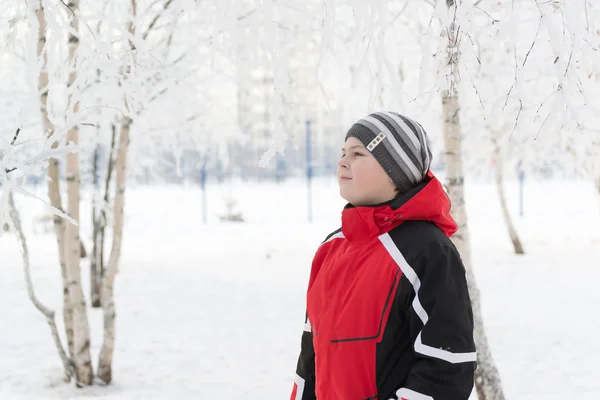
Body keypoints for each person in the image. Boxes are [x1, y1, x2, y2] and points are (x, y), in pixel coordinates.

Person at [289, 111, 477, 400]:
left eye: (358, 154)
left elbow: (447, 367)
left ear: (395, 172)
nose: (342, 162)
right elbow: (309, 361)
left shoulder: (427, 251)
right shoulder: (330, 249)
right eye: (343, 152)